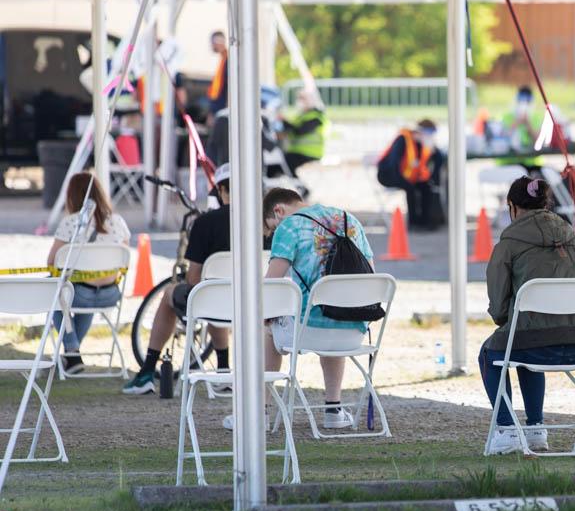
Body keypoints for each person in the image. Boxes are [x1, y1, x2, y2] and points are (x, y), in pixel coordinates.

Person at [480, 175, 575, 455]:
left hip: (532, 346)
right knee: (524, 344)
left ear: (512, 207)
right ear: (546, 205)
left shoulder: (508, 245)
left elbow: (500, 310)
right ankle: (536, 427)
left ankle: (506, 428)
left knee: (493, 352)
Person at [260, 188, 374, 431]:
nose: (272, 234)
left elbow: (272, 284)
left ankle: (260, 411)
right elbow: (371, 274)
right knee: (332, 315)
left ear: (278, 210)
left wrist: (264, 315)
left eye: (270, 228)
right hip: (353, 332)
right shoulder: (348, 219)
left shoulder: (289, 226)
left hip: (307, 332)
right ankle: (333, 409)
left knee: (268, 325)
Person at [121, 164, 233, 395]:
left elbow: (193, 278)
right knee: (216, 292)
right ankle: (223, 369)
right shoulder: (265, 222)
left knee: (175, 293)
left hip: (217, 300)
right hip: (259, 304)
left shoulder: (206, 222)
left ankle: (148, 369)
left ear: (221, 190)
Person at [47, 172, 131, 374]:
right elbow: (125, 259)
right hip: (110, 294)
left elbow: (51, 262)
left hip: (80, 294)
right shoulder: (118, 222)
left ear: (72, 196)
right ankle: (72, 353)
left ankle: (72, 351)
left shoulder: (71, 223)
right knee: (79, 294)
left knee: (52, 292)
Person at [376, 119, 444, 230]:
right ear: (420, 132)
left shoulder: (421, 144)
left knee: (426, 186)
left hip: (406, 176)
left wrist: (434, 151)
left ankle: (425, 221)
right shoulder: (403, 139)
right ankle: (413, 222)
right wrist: (405, 182)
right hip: (388, 175)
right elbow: (393, 165)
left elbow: (438, 159)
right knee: (410, 188)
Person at [279, 88, 329, 177]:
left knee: (285, 163)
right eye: (298, 98)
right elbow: (291, 130)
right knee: (279, 162)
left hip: (310, 153)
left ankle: (302, 189)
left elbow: (300, 131)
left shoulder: (316, 117)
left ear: (312, 100)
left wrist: (284, 120)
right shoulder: (301, 116)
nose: (299, 101)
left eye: (302, 98)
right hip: (297, 152)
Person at [206, 31, 229, 123]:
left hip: (222, 107)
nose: (211, 46)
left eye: (212, 43)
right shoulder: (223, 59)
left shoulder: (228, 60)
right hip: (217, 106)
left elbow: (228, 85)